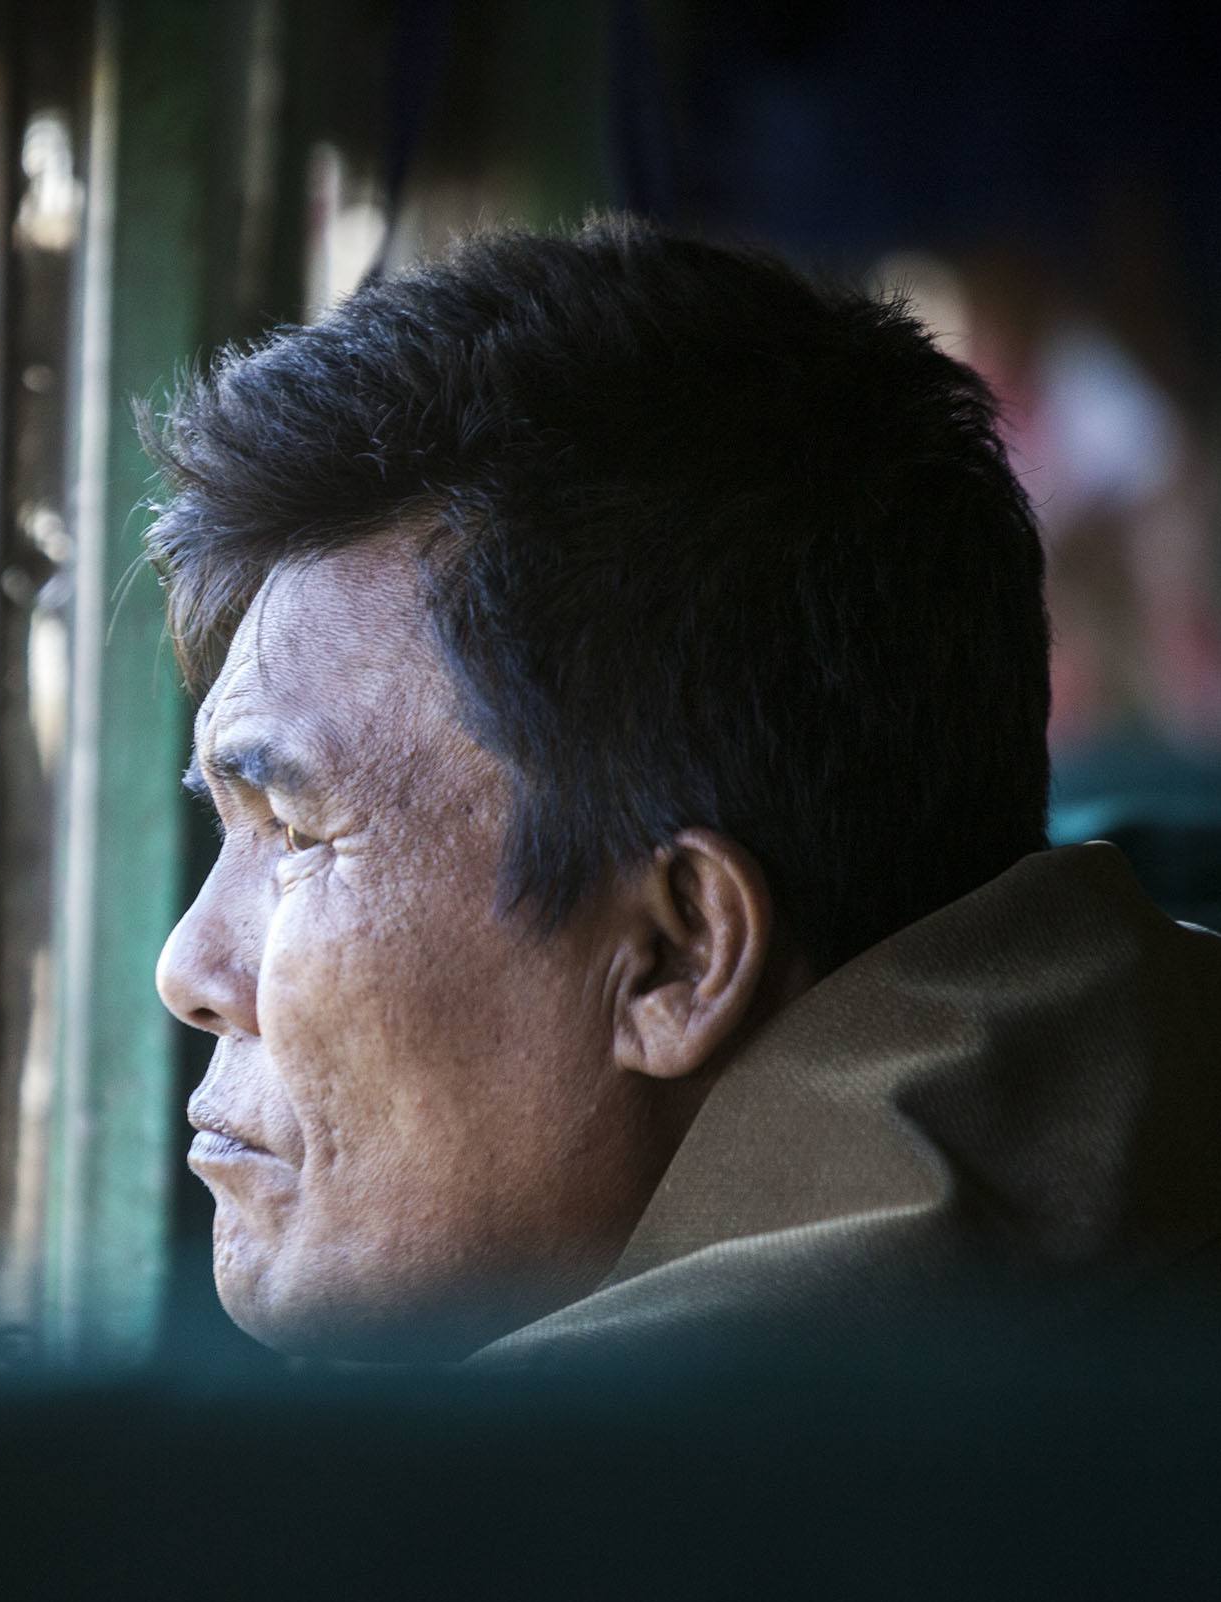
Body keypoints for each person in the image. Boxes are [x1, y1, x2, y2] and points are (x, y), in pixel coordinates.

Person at [146, 216, 1221, 1365]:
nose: (192, 971)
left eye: (297, 831)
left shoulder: (595, 1501)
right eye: (231, 826)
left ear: (676, 952)